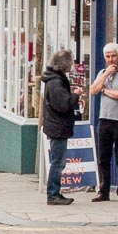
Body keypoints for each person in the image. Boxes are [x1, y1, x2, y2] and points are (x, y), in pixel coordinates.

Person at [90, 41, 118, 201]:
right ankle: (103, 191)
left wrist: (105, 90)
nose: (111, 59)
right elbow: (93, 91)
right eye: (108, 56)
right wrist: (105, 75)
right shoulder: (103, 72)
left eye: (113, 56)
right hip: (105, 119)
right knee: (104, 157)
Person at [40, 49, 81, 206]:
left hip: (56, 125)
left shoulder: (55, 79)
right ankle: (53, 194)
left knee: (58, 161)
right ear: (65, 63)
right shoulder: (56, 82)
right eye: (71, 61)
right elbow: (63, 105)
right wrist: (75, 95)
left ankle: (55, 193)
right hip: (57, 127)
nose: (72, 65)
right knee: (58, 162)